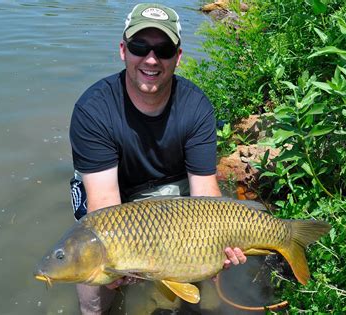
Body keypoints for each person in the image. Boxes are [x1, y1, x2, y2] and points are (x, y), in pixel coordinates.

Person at [69, 3, 247, 314]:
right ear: (124, 50)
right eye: (140, 46)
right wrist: (110, 268)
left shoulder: (196, 106)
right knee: (93, 289)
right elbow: (103, 203)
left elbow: (205, 194)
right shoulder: (93, 110)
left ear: (177, 57)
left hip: (172, 196)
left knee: (201, 279)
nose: (151, 59)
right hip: (113, 197)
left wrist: (216, 246)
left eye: (163, 49)